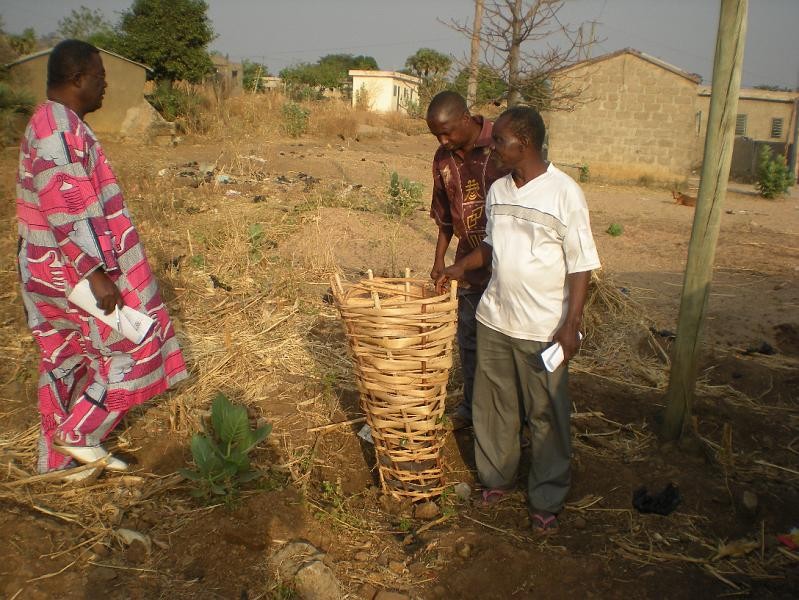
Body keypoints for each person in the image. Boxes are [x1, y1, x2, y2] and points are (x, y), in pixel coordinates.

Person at [15, 40, 188, 481]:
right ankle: (79, 434)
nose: (105, 87)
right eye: (100, 78)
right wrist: (96, 274)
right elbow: (68, 206)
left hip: (49, 271)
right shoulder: (57, 130)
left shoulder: (52, 122)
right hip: (75, 275)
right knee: (136, 346)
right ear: (78, 79)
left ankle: (57, 466)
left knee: (66, 360)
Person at [436, 106, 601, 534]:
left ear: (524, 143)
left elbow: (581, 264)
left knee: (547, 414)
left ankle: (547, 494)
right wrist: (459, 268)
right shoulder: (499, 190)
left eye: (500, 142)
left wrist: (570, 324)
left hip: (543, 328)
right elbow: (491, 246)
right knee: (494, 407)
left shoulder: (564, 193)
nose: (493, 147)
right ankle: (497, 478)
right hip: (495, 319)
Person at [426, 91, 508, 430]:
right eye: (436, 135)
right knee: (470, 340)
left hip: (507, 266)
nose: (443, 140)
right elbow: (445, 216)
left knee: (505, 345)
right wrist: (438, 260)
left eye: (447, 132)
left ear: (466, 118)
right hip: (467, 265)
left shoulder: (501, 145)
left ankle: (507, 416)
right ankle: (473, 409)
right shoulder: (443, 159)